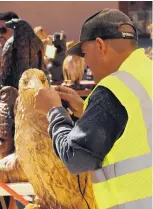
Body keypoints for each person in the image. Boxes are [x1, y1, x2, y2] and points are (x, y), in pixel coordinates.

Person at [34, 9, 152, 209]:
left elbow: (76, 158)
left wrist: (53, 111)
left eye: (85, 53)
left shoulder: (114, 89)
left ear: (100, 45)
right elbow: (136, 126)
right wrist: (86, 111)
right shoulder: (145, 73)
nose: (86, 63)